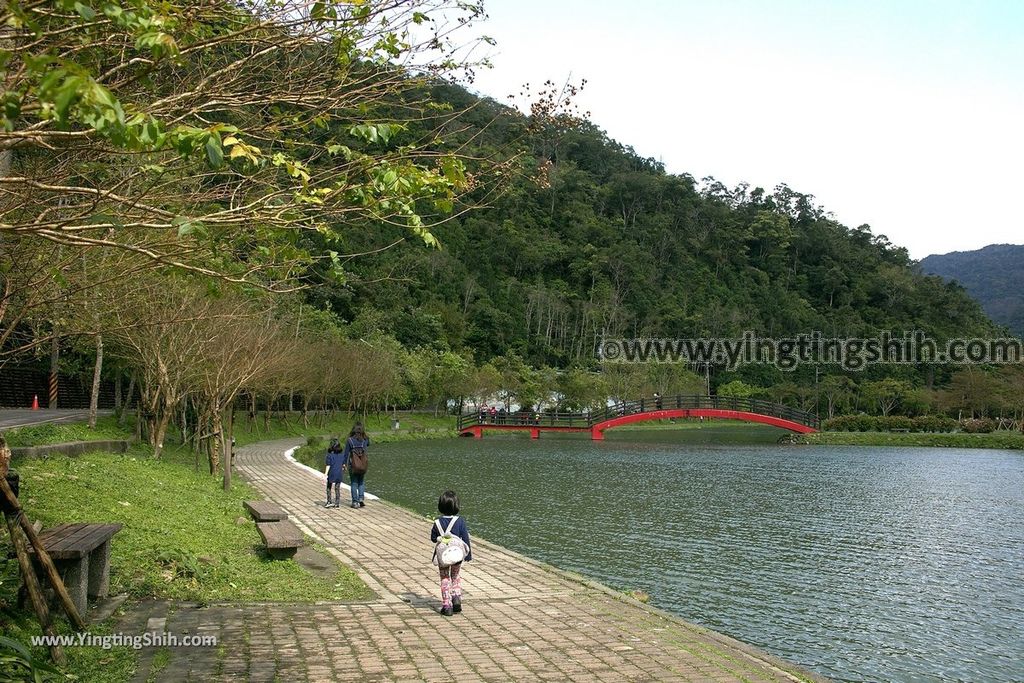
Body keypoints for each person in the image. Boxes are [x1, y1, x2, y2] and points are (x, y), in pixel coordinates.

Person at [430, 490, 472, 616]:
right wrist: (468, 555)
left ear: (441, 506)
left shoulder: (437, 522)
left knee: (444, 577)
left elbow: (433, 538)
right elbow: (465, 538)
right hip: (457, 555)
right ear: (456, 506)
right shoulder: (460, 521)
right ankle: (456, 597)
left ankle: (447, 605)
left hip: (443, 556)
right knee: (455, 576)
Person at [343, 422, 370, 508]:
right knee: (361, 482)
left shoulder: (350, 440)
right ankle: (361, 498)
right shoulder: (365, 440)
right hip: (363, 465)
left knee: (354, 483)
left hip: (353, 465)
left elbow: (346, 453)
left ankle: (355, 502)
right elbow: (369, 444)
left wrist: (344, 464)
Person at [323, 437, 345, 508]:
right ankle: (337, 503)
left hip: (332, 473)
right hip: (339, 474)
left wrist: (325, 474)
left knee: (329, 487)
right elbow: (343, 465)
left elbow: (328, 466)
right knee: (337, 488)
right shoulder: (342, 455)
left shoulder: (329, 455)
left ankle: (329, 501)